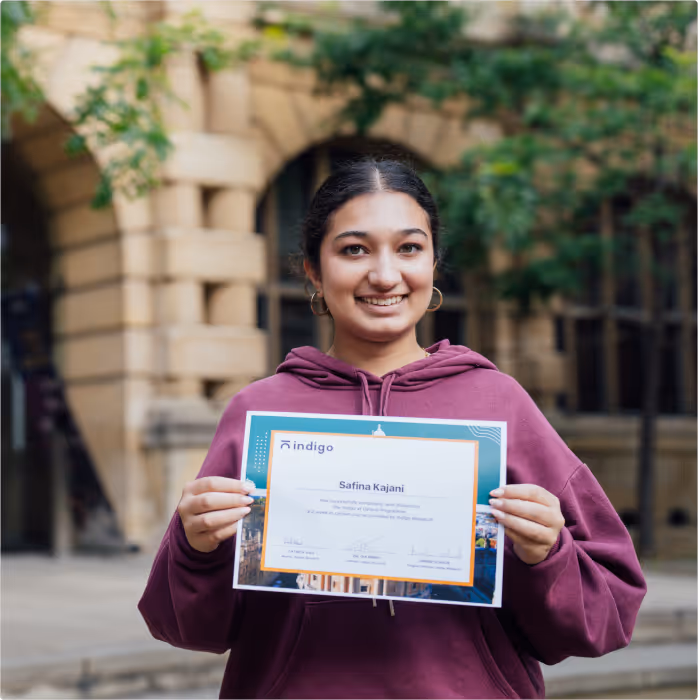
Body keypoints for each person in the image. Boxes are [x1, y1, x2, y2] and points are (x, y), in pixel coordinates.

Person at [139, 159, 646, 699]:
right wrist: (196, 547)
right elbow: (185, 627)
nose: (385, 275)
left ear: (433, 264)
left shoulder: (500, 406)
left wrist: (548, 553)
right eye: (354, 249)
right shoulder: (258, 415)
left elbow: (608, 614)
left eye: (409, 248)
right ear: (313, 268)